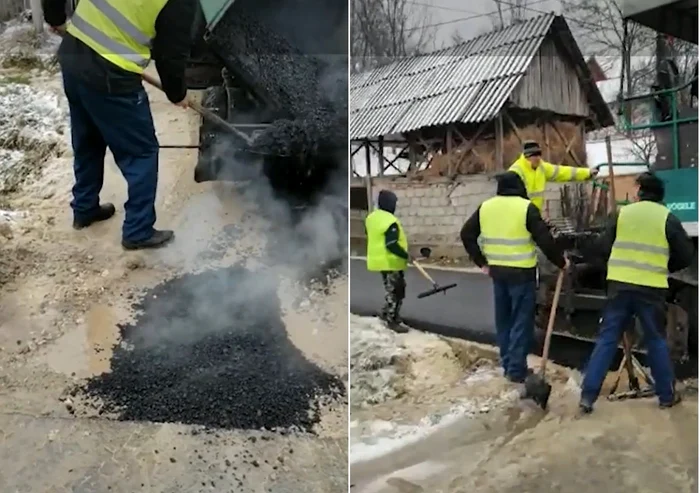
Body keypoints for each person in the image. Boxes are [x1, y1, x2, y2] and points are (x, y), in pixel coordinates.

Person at [42, 0, 196, 249]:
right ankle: (138, 230)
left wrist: (55, 16)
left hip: (73, 56)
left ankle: (84, 209)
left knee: (89, 141)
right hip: (111, 76)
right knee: (142, 153)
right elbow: (170, 56)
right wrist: (178, 93)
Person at [579, 172, 694, 413]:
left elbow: (601, 247)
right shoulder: (667, 218)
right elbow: (686, 254)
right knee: (655, 340)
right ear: (661, 196)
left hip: (619, 285)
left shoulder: (622, 214)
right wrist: (664, 266)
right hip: (651, 288)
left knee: (607, 339)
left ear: (640, 192)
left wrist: (608, 267)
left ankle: (588, 397)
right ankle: (666, 397)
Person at [461, 172, 568, 382]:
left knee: (504, 320)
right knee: (521, 321)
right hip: (522, 274)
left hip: (497, 272)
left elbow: (467, 234)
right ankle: (516, 370)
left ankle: (509, 362)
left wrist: (481, 262)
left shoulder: (486, 207)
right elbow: (544, 239)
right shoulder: (525, 207)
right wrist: (561, 262)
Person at [509, 140, 598, 213]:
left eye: (539, 155)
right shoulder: (516, 171)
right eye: (534, 155)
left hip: (535, 214)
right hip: (520, 214)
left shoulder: (542, 167)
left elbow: (563, 172)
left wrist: (587, 172)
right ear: (527, 156)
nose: (538, 158)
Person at [365, 190, 410, 334]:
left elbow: (370, 235)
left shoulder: (372, 218)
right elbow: (391, 244)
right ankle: (392, 320)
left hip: (380, 261)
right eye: (394, 203)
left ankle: (387, 313)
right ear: (390, 203)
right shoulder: (390, 221)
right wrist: (405, 255)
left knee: (391, 289)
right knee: (396, 291)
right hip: (391, 261)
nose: (395, 205)